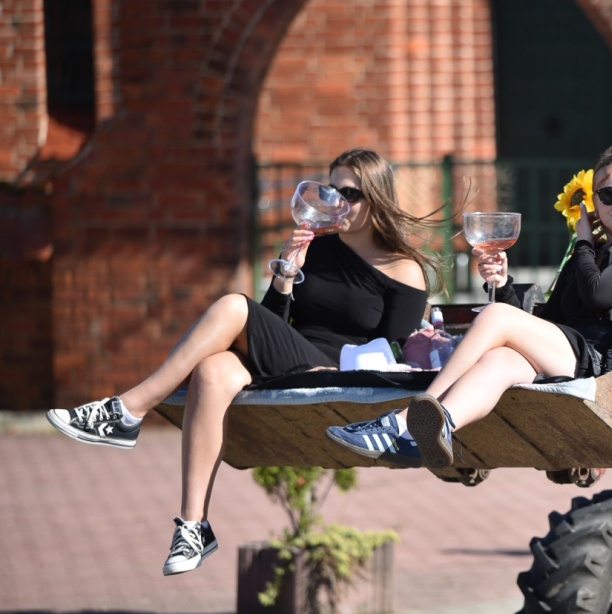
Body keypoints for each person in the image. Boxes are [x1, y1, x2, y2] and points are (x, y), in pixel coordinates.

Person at [46, 147, 437, 575]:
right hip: (288, 358)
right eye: (332, 191)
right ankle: (193, 526)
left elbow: (397, 358)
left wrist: (340, 372)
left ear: (377, 198)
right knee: (212, 371)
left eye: (351, 193)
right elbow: (273, 321)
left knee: (234, 304)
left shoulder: (403, 270)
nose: (339, 202)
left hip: (339, 371)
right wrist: (286, 274)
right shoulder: (316, 249)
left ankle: (129, 409)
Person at [325, 142, 612, 468]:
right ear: (595, 201)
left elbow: (599, 295)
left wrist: (582, 242)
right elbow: (548, 319)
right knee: (501, 360)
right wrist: (501, 283)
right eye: (608, 195)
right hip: (574, 352)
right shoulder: (592, 254)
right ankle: (431, 431)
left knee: (497, 317)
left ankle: (407, 418)